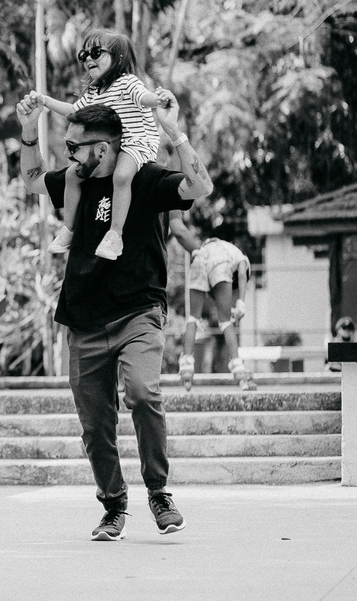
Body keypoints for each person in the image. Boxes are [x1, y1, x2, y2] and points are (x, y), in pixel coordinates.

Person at [15, 93, 214, 542]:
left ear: (102, 149)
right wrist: (29, 130)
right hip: (83, 319)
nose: (68, 155)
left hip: (137, 313)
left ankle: (158, 491)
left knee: (143, 394)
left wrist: (174, 132)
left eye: (74, 148)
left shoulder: (144, 181)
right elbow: (30, 180)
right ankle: (113, 504)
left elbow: (200, 187)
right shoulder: (74, 181)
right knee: (95, 423)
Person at [31, 29, 171, 261]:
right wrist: (46, 101)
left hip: (136, 144)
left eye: (96, 52)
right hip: (110, 149)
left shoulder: (128, 83)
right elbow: (74, 111)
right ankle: (69, 228)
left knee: (122, 176)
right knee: (71, 176)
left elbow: (144, 97)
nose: (88, 59)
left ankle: (115, 234)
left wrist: (159, 100)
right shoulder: (94, 91)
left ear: (118, 58)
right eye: (84, 54)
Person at [168, 212, 254, 391]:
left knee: (192, 318)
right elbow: (242, 274)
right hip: (220, 263)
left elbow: (214, 290)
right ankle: (239, 370)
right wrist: (241, 303)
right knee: (225, 322)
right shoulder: (240, 257)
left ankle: (186, 370)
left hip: (200, 257)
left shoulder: (217, 246)